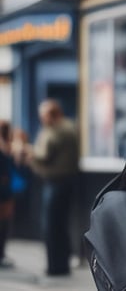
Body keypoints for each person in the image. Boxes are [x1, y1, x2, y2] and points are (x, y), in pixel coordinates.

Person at [27, 99, 79, 276]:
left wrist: (30, 151)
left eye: (44, 116)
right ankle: (60, 265)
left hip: (57, 183)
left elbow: (44, 153)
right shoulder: (68, 127)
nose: (42, 120)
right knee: (59, 225)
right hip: (64, 182)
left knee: (52, 226)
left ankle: (55, 267)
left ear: (53, 114)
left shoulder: (58, 129)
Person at [0, 120, 16, 268]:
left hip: (6, 188)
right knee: (3, 223)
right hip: (4, 188)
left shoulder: (9, 145)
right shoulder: (6, 146)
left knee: (5, 222)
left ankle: (2, 253)